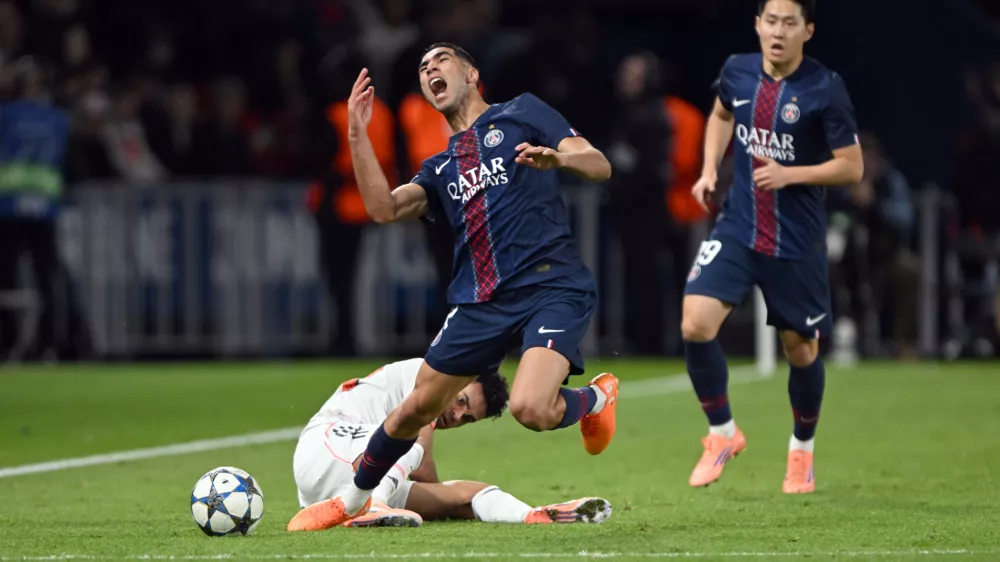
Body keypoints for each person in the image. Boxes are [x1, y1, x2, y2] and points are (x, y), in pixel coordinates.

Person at [287, 42, 617, 531]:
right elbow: (382, 209)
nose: (429, 70)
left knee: (530, 408)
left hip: (551, 284)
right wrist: (357, 133)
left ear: (472, 73)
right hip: (480, 303)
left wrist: (560, 161)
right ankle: (351, 503)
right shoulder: (441, 167)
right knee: (414, 410)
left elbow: (599, 164)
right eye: (423, 68)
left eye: (440, 60)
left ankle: (598, 399)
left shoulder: (522, 112)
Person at [682, 0, 864, 494]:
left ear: (808, 30)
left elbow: (852, 167)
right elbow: (721, 113)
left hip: (795, 241)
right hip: (738, 227)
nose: (778, 32)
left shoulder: (824, 88)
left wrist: (791, 174)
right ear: (757, 25)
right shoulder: (737, 71)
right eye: (771, 21)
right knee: (695, 322)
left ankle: (801, 451)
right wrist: (708, 169)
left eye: (789, 23)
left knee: (800, 350)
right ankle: (722, 433)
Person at [293, 358, 612, 528]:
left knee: (468, 495)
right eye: (461, 401)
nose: (457, 416)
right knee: (406, 437)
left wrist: (443, 500)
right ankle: (374, 506)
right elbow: (423, 463)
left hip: (342, 489)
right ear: (458, 380)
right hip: (326, 445)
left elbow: (425, 474)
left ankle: (532, 516)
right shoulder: (428, 373)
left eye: (467, 419)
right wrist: (432, 491)